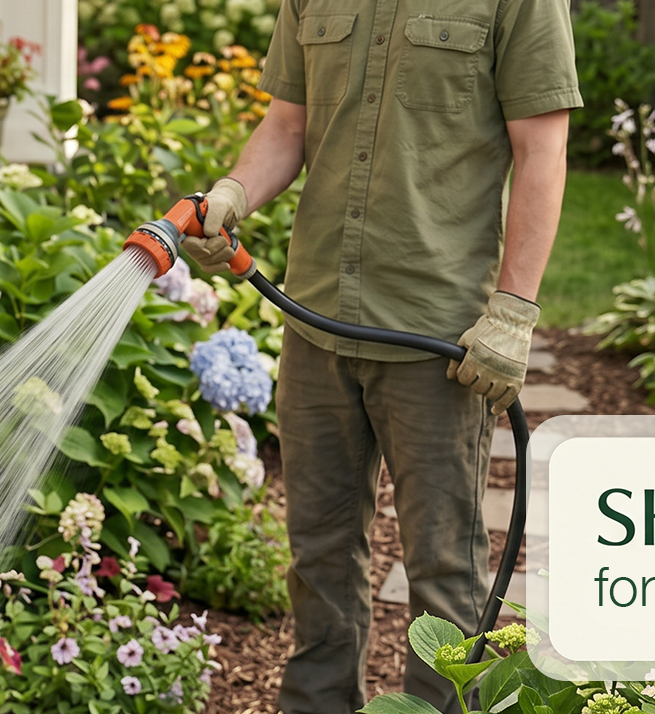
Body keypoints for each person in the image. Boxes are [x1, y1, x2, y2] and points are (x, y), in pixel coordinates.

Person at [180, 0, 578, 709]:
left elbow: (541, 150)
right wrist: (233, 193)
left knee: (443, 572)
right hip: (315, 319)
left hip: (436, 335)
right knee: (319, 558)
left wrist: (513, 311)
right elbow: (287, 125)